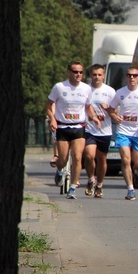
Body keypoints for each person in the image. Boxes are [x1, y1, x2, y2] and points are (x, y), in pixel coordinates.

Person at [107, 67, 138, 201]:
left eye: (135, 75)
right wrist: (114, 116)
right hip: (124, 130)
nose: (132, 78)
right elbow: (111, 109)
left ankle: (137, 172)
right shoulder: (120, 93)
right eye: (129, 75)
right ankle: (130, 189)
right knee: (125, 159)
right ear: (126, 78)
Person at [45, 61, 92, 199]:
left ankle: (72, 187)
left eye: (80, 72)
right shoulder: (59, 87)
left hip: (79, 126)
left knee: (77, 157)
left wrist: (94, 117)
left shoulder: (86, 89)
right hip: (63, 126)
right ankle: (59, 171)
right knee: (63, 159)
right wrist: (52, 119)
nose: (78, 75)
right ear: (69, 72)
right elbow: (48, 105)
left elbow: (88, 106)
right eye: (75, 72)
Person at [83, 64, 116, 198]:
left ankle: (100, 184)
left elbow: (115, 111)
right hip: (89, 129)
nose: (97, 77)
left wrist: (108, 108)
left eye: (99, 75)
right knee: (89, 155)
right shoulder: (85, 89)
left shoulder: (110, 91)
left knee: (101, 159)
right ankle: (91, 179)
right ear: (90, 75)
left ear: (104, 76)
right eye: (94, 74)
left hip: (104, 130)